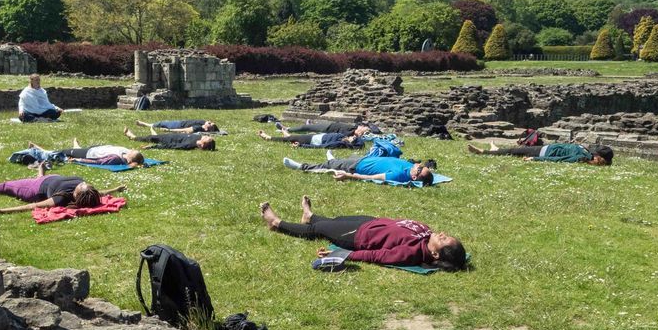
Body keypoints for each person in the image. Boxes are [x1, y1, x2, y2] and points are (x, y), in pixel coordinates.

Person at [260, 196, 467, 270]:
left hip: (359, 236)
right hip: (371, 223)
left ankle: (275, 222)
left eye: (445, 239)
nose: (442, 234)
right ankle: (309, 215)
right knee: (334, 221)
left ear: (436, 254)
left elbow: (376, 256)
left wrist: (342, 254)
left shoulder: (412, 253)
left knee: (319, 230)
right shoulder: (426, 236)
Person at [0, 163, 126, 217]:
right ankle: (40, 172)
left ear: (77, 195)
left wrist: (1, 210)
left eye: (82, 187)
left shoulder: (61, 198)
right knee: (45, 175)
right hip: (53, 179)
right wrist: (116, 189)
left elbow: (32, 206)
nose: (83, 183)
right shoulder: (88, 192)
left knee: (7, 185)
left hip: (35, 188)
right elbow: (100, 193)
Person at [282, 153, 434, 185]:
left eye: (420, 169)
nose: (419, 166)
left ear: (414, 177)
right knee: (339, 160)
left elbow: (372, 178)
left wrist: (348, 176)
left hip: (357, 167)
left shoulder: (400, 176)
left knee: (327, 166)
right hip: (364, 159)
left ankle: (302, 167)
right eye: (422, 166)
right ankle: (334, 160)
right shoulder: (411, 167)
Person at [467, 142, 613, 165]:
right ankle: (494, 149)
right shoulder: (584, 154)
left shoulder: (583, 155)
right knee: (514, 151)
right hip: (546, 148)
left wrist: (535, 159)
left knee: (514, 151)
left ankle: (484, 152)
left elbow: (561, 159)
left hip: (544, 151)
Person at [29, 139, 145, 167]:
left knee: (59, 153)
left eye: (132, 152)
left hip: (89, 153)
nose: (131, 149)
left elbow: (98, 162)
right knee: (72, 151)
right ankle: (76, 147)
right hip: (95, 149)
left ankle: (37, 148)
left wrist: (79, 160)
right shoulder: (125, 152)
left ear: (130, 159)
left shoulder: (116, 159)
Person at [123, 126, 215, 151]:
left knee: (150, 138)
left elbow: (172, 146)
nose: (205, 136)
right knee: (154, 137)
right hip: (170, 135)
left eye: (206, 137)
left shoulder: (189, 145)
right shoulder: (198, 137)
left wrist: (152, 147)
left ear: (203, 144)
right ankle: (152, 131)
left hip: (168, 139)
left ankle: (132, 137)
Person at [257, 130, 363, 149]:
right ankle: (286, 134)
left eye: (353, 138)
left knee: (291, 138)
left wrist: (302, 146)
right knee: (291, 137)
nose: (352, 136)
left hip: (313, 140)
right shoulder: (343, 137)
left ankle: (268, 138)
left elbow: (322, 146)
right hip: (316, 136)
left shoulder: (339, 143)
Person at [280, 121, 370, 137]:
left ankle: (287, 129)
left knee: (306, 127)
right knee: (310, 128)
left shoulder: (351, 133)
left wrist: (359, 133)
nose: (362, 126)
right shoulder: (354, 127)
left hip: (328, 128)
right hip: (330, 125)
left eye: (363, 128)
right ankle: (287, 129)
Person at [135, 119, 219, 133]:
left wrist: (169, 131)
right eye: (210, 122)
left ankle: (144, 124)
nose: (209, 122)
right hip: (180, 122)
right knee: (160, 124)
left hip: (178, 125)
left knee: (160, 124)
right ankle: (146, 124)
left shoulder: (200, 128)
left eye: (210, 124)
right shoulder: (203, 122)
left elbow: (186, 130)